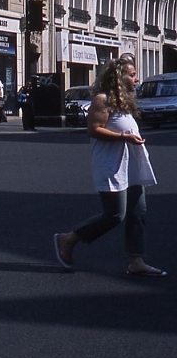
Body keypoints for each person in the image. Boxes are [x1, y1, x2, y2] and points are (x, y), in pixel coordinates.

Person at [53, 54, 166, 277]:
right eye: (132, 75)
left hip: (131, 165)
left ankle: (136, 261)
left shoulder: (123, 102)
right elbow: (94, 129)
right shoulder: (102, 100)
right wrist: (125, 137)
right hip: (111, 165)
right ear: (118, 77)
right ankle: (69, 239)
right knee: (115, 214)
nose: (136, 79)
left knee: (138, 213)